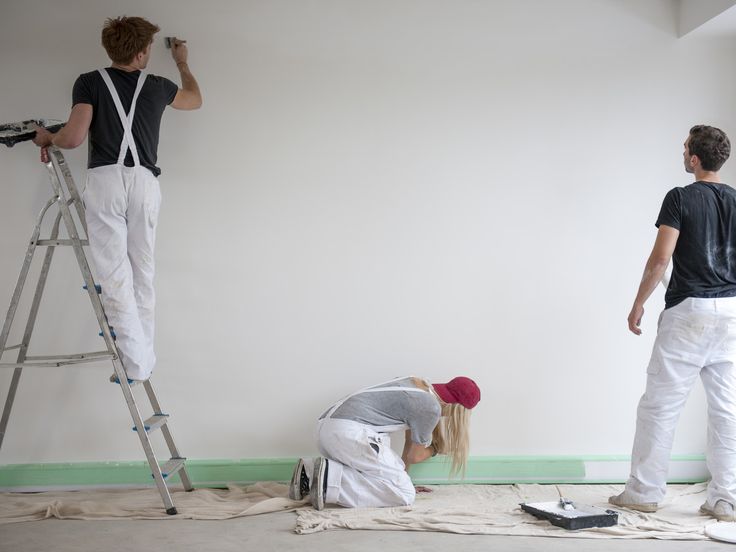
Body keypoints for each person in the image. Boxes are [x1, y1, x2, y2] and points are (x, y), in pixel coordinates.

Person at [32, 16, 202, 381]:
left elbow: (74, 137)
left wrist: (48, 137)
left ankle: (135, 361)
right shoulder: (157, 86)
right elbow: (194, 100)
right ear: (142, 53)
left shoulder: (90, 82)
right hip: (144, 182)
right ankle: (142, 361)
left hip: (106, 181)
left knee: (114, 275)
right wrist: (182, 61)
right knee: (143, 270)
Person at [609, 125, 736, 521]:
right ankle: (726, 499)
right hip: (732, 312)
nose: (682, 154)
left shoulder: (680, 197)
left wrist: (638, 303)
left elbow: (660, 259)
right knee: (727, 410)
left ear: (695, 159)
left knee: (659, 408)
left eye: (685, 149)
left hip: (689, 313)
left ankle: (644, 492)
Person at [288, 375, 480, 509]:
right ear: (458, 410)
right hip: (350, 433)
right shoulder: (430, 408)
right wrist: (438, 449)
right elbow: (416, 455)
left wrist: (403, 479)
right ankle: (326, 481)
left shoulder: (418, 385)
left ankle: (310, 471)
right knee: (406, 495)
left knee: (400, 484)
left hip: (328, 428)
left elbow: (409, 444)